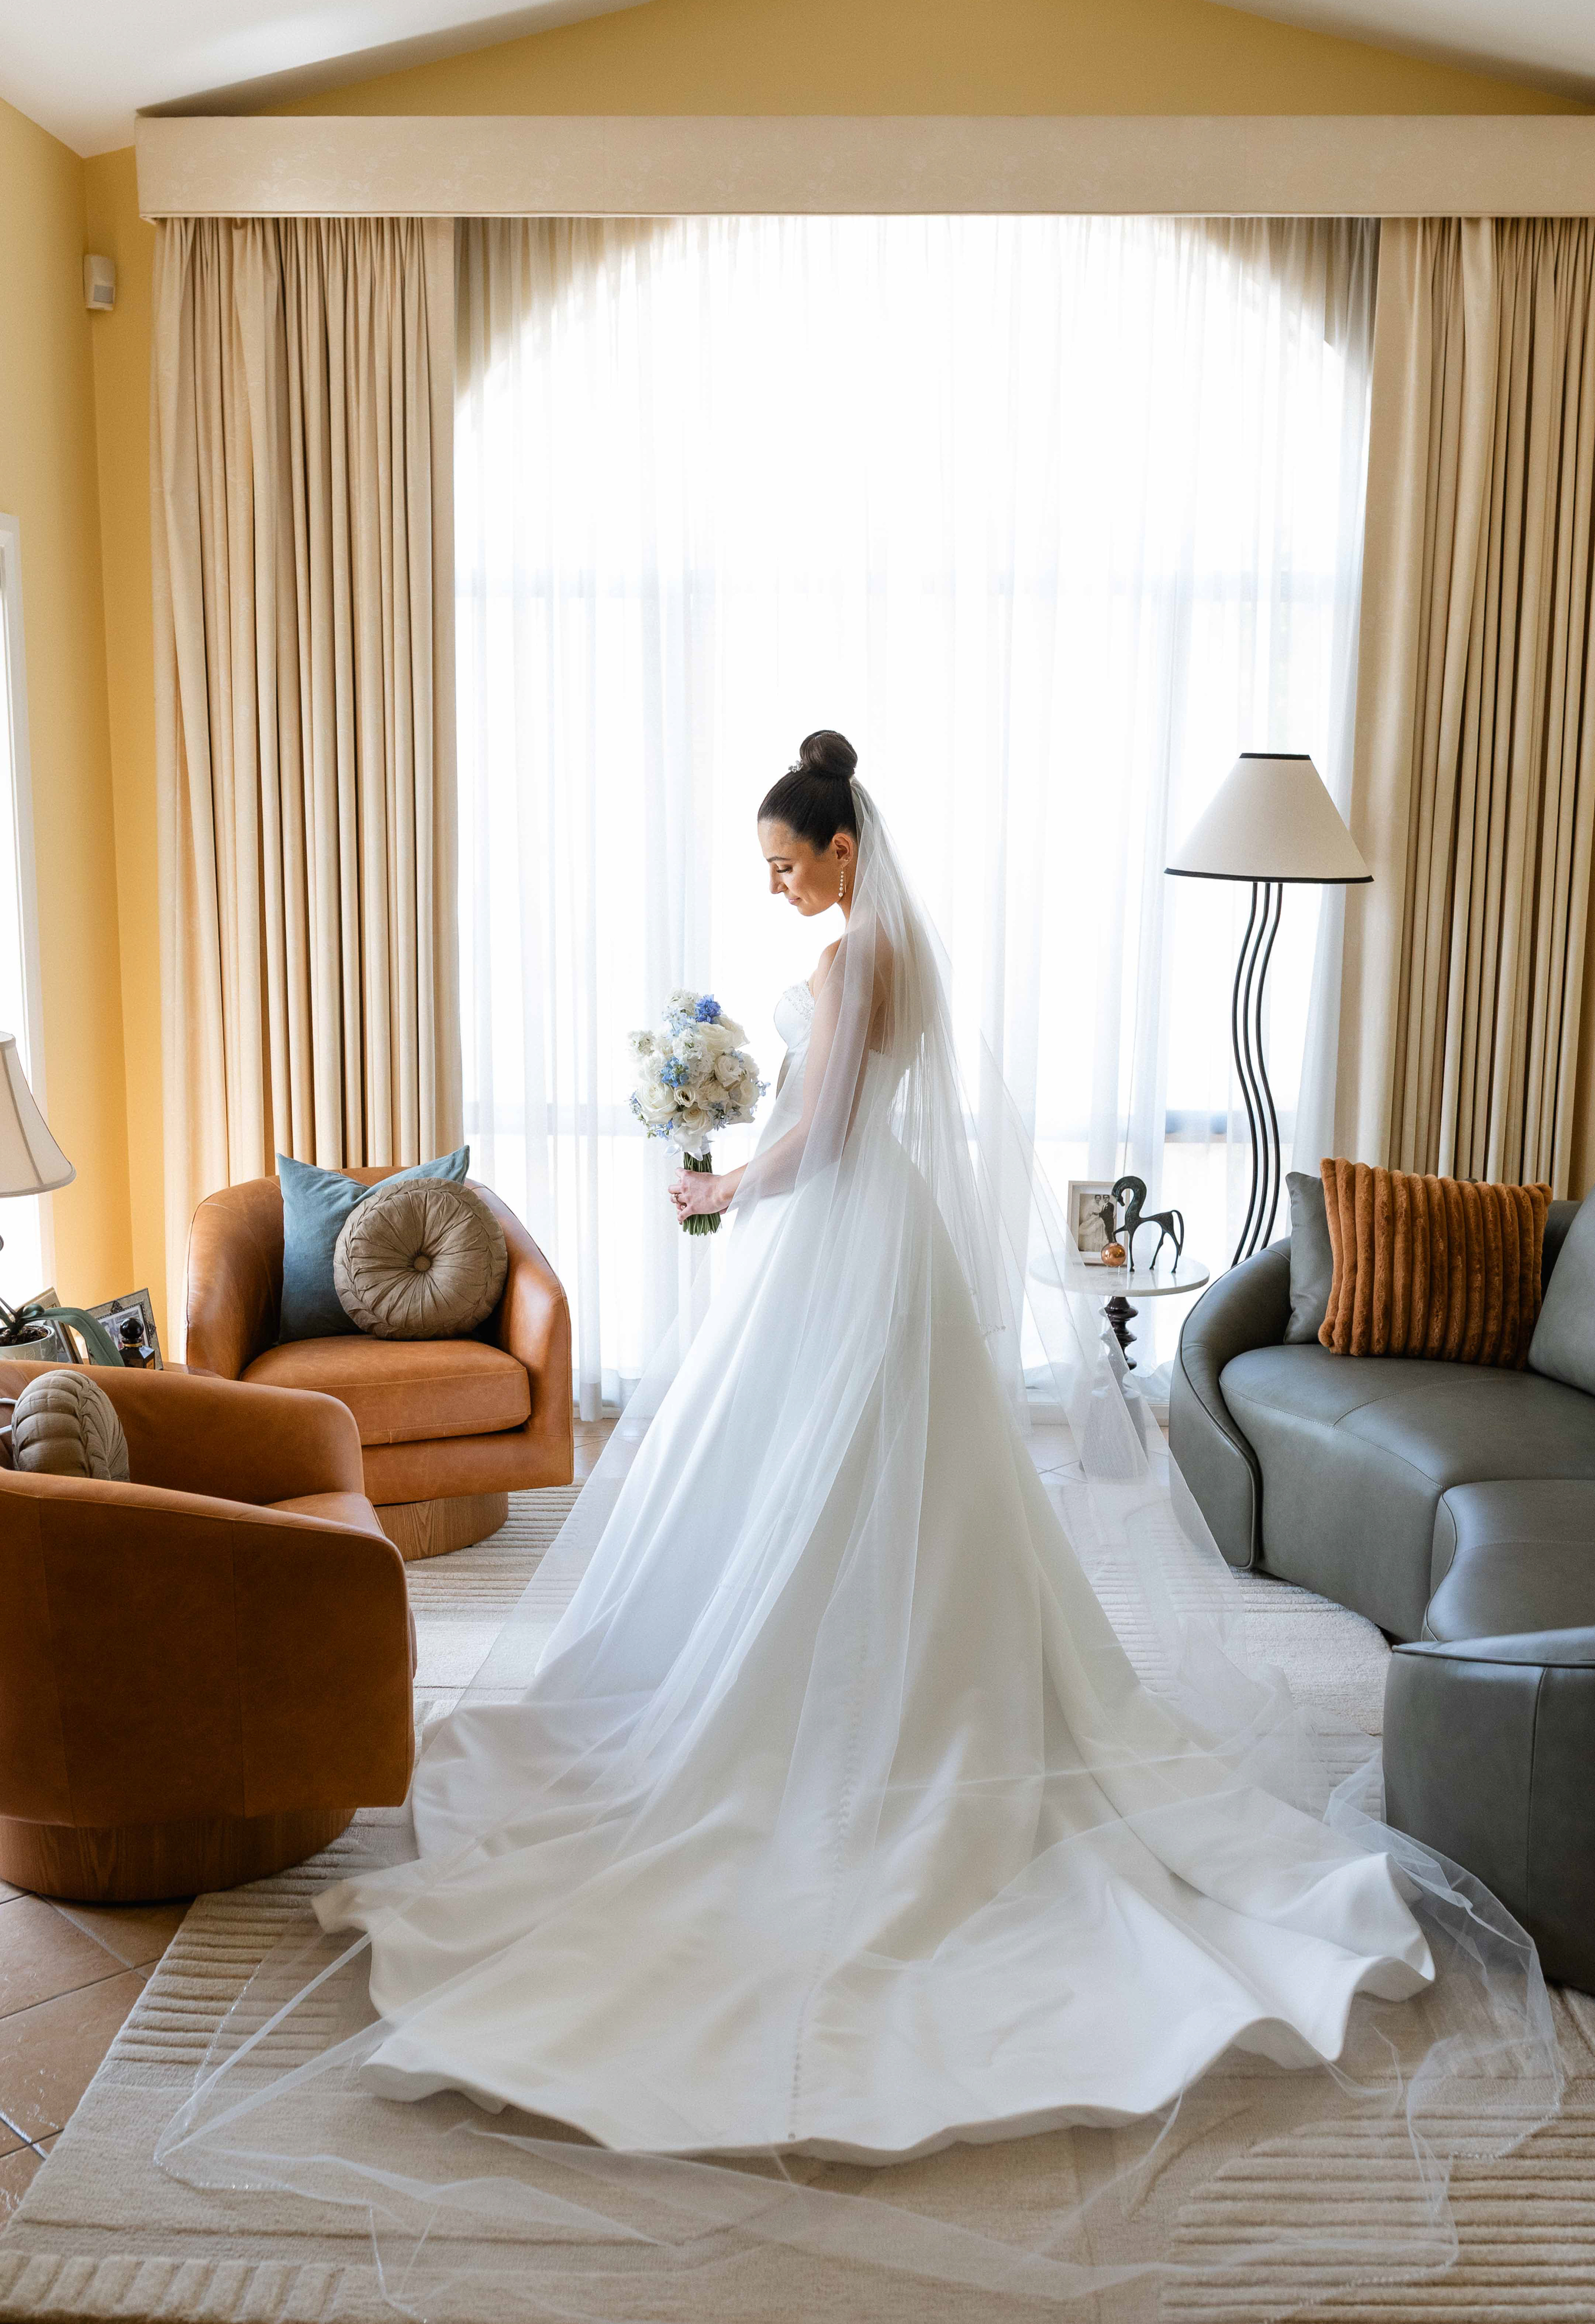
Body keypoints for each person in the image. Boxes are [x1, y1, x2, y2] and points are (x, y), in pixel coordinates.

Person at [162, 734, 1555, 2316]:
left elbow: (821, 1138)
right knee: (854, 1488)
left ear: (840, 851)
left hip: (838, 1233)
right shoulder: (876, 951)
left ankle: (853, 1715)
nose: (774, 890)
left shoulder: (860, 962)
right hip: (870, 1249)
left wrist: (720, 1192)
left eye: (782, 864)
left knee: (831, 1482)